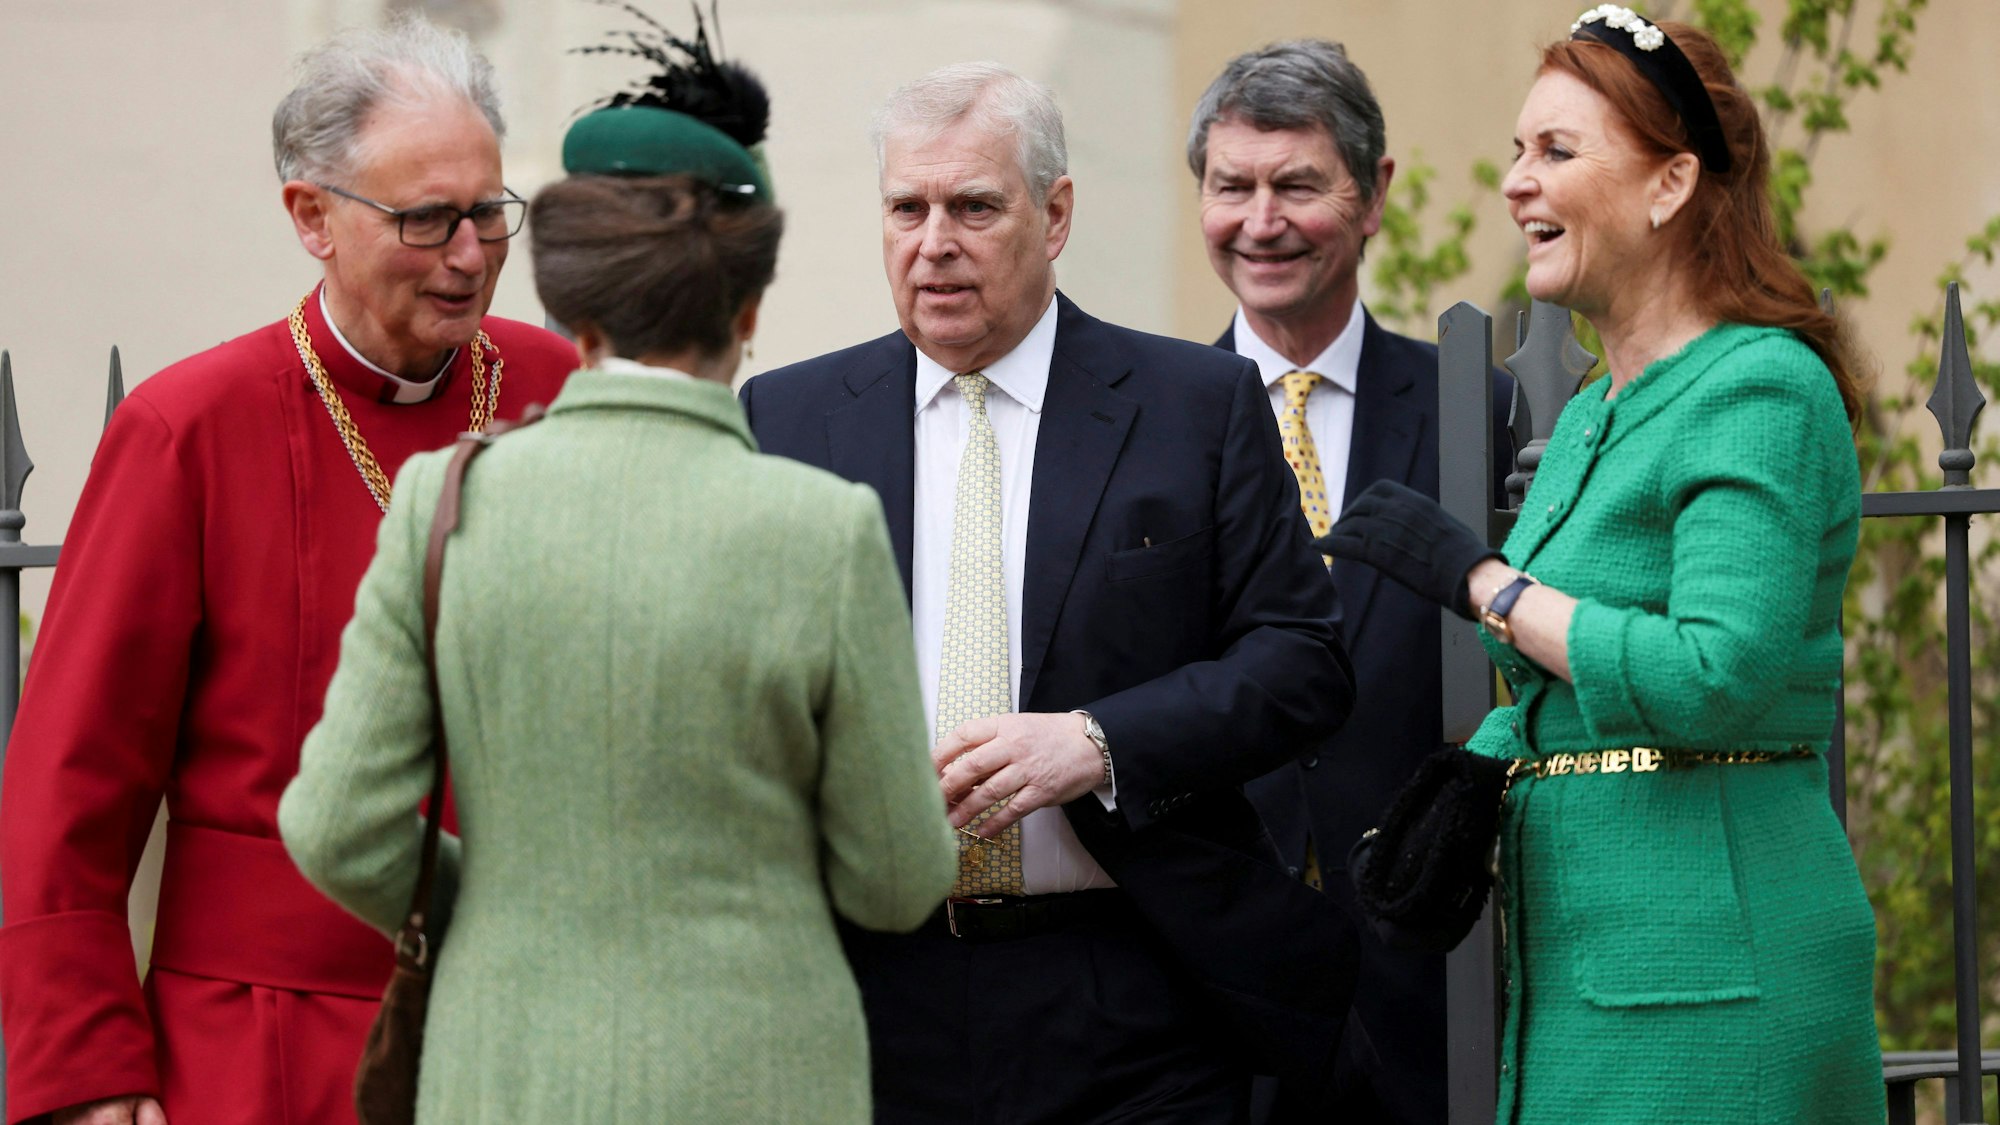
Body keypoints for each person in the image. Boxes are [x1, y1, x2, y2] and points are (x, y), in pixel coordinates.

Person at [280, 47, 959, 1119]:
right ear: (745, 314)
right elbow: (897, 875)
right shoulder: (823, 531)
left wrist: (493, 904)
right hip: (761, 1069)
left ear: (574, 313)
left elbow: (334, 826)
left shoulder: (443, 501)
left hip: (503, 1066)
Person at [741, 61, 1358, 1124]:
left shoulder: (1192, 406)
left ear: (1054, 212)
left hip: (1129, 989)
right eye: (906, 208)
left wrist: (1100, 741)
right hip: (871, 991)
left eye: (973, 207)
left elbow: (1300, 660)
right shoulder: (787, 420)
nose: (933, 243)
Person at [0, 17, 577, 1125]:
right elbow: (71, 780)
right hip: (260, 1038)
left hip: (528, 1025)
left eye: (488, 213)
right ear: (311, 216)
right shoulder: (190, 427)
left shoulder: (556, 388)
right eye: (425, 219)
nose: (469, 254)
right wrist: (87, 1068)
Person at [1325, 8, 1882, 1122]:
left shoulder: (1755, 387)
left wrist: (1482, 585)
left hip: (1715, 984)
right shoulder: (1589, 413)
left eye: (1555, 152)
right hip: (1588, 968)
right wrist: (1473, 775)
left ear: (1670, 186)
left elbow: (1712, 676)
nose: (1515, 183)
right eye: (1516, 152)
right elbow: (1565, 686)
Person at [1188, 39, 1512, 1124]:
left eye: (1295, 185)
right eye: (1231, 185)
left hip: (1439, 978)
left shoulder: (1481, 411)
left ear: (1371, 194)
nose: (1259, 220)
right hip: (1224, 1000)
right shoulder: (1151, 423)